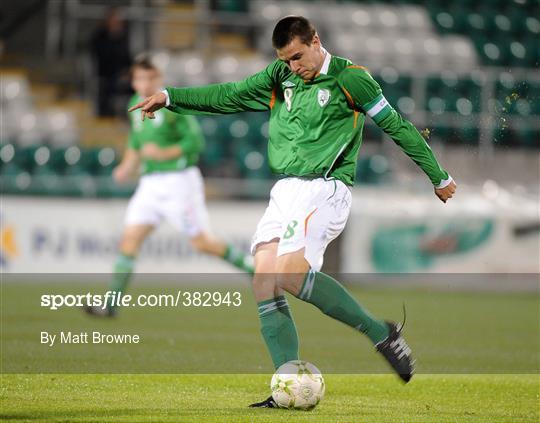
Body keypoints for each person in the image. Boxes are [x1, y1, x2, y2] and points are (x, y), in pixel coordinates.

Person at [129, 16, 457, 407]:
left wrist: (438, 176)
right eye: (286, 60)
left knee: (287, 273)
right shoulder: (278, 78)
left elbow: (397, 126)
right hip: (285, 190)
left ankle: (381, 333)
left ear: (316, 40)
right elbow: (228, 94)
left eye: (298, 57)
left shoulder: (351, 78)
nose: (294, 67)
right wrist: (170, 97)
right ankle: (286, 384)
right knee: (263, 281)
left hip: (326, 187)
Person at [86, 57, 254, 317]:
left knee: (202, 243)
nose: (145, 83)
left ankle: (255, 271)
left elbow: (196, 143)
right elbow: (136, 143)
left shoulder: (171, 106)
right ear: (133, 82)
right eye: (140, 78)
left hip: (179, 182)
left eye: (151, 78)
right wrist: (126, 166)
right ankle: (111, 305)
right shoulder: (134, 104)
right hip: (150, 185)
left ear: (159, 79)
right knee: (129, 240)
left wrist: (164, 153)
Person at [90, 7, 132, 117]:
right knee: (108, 86)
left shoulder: (123, 36)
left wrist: (128, 71)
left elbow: (126, 57)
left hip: (121, 73)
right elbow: (102, 55)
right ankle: (105, 115)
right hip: (105, 72)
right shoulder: (100, 36)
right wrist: (113, 37)